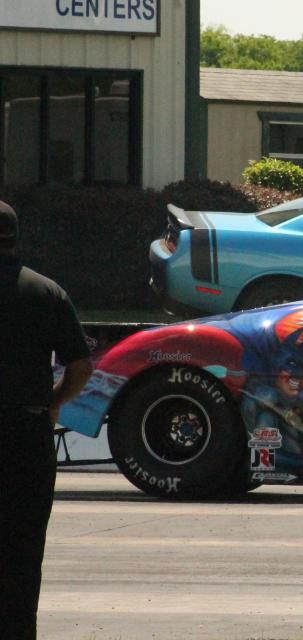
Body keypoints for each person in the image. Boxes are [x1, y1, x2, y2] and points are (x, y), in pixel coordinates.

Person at [0, 200, 93, 640]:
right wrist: (55, 402)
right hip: (26, 433)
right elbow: (80, 367)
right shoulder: (46, 292)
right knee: (22, 550)